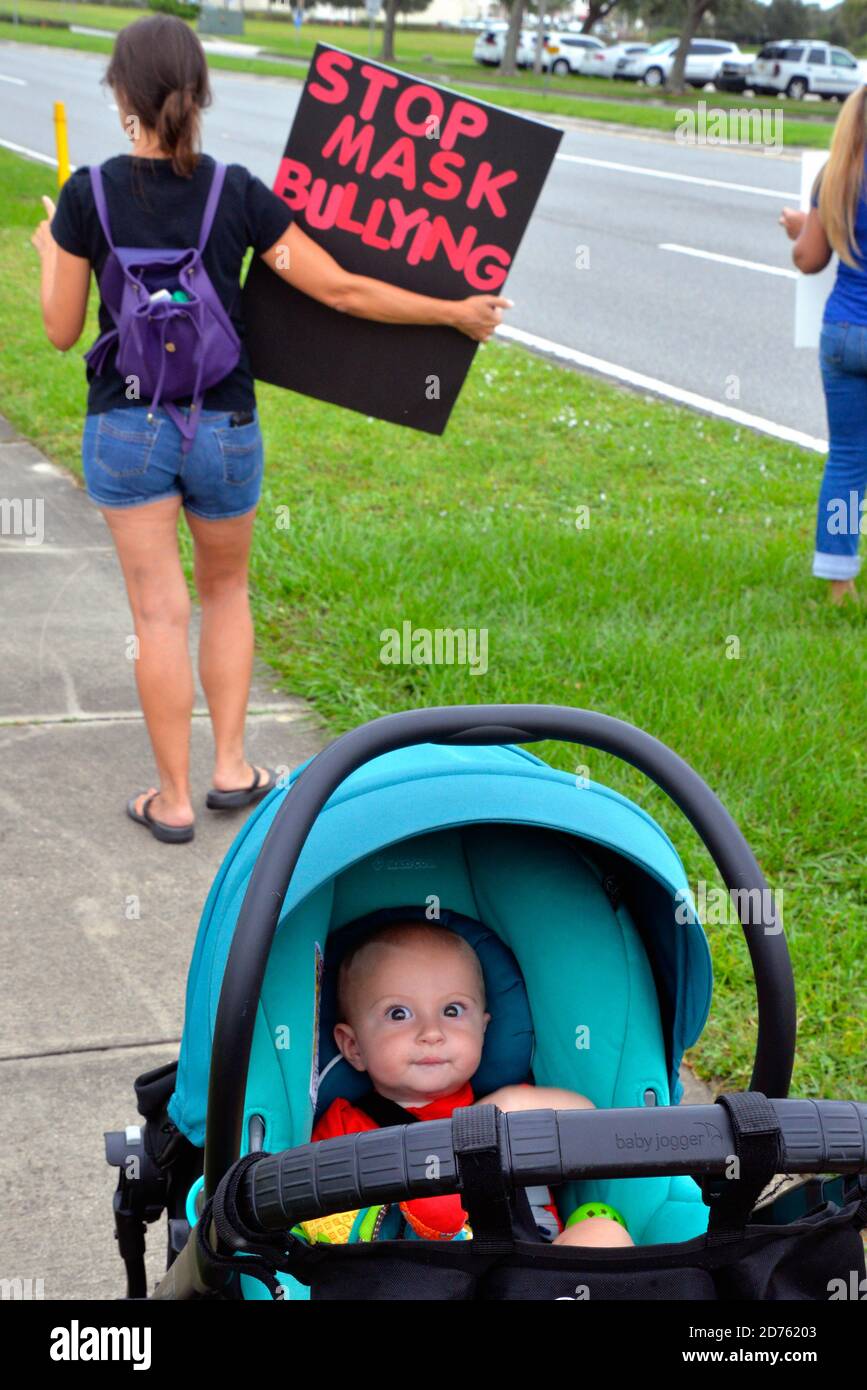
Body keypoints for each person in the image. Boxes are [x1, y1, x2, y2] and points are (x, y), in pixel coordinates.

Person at [30, 16, 511, 843]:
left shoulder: (88, 196)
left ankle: (172, 801)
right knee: (225, 592)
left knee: (156, 615)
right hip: (225, 422)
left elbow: (62, 329)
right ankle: (231, 768)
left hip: (125, 424)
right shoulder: (236, 193)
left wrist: (48, 246)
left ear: (121, 99)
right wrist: (451, 312)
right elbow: (343, 292)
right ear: (200, 94)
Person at [309, 921, 634, 1247]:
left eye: (452, 1010)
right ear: (353, 1046)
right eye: (398, 1014)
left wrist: (504, 1109)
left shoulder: (513, 1108)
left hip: (533, 1274)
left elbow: (590, 1127)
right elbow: (316, 1210)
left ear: (482, 1029)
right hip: (415, 1276)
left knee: (605, 1232)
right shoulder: (346, 1125)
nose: (431, 1032)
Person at [780, 86, 867, 608]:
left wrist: (803, 227)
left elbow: (809, 259)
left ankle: (840, 585)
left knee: (849, 459)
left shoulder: (834, 177)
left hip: (842, 334)